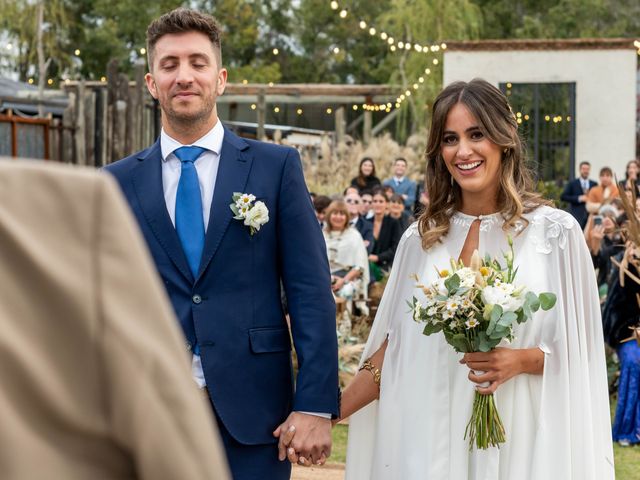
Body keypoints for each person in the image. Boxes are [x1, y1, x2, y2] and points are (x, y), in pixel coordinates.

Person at [334, 79, 613, 479]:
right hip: (431, 437)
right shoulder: (421, 239)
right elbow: (393, 349)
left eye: (476, 134)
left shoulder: (557, 234)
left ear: (504, 139)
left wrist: (520, 360)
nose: (462, 151)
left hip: (521, 435)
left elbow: (584, 350)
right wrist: (325, 414)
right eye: (450, 138)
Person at [104, 8, 338, 479]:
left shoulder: (276, 168)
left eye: (197, 62)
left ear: (221, 78)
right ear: (152, 82)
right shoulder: (114, 183)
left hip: (255, 415)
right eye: (169, 65)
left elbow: (310, 292)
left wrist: (315, 404)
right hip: (148, 410)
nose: (184, 76)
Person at [0, 159, 230, 480]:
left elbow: (306, 284)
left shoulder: (74, 199)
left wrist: (312, 404)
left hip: (245, 396)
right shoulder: (76, 198)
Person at [602, 249, 640, 447]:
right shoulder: (621, 263)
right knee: (634, 363)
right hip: (626, 336)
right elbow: (613, 310)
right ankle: (626, 430)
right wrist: (631, 330)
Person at [323, 200, 370, 320]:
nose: (338, 217)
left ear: (346, 217)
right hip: (325, 278)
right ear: (329, 215)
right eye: (335, 213)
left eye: (342, 214)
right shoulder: (321, 235)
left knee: (345, 292)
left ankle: (343, 330)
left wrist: (342, 281)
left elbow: (359, 267)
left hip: (348, 278)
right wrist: (330, 279)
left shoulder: (354, 236)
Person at [368, 187, 402, 279]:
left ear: (386, 204)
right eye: (375, 201)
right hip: (368, 265)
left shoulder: (393, 223)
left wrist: (377, 257)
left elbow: (396, 248)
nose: (377, 204)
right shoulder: (366, 223)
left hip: (387, 266)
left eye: (381, 201)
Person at [560, 161, 596, 229]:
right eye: (583, 169)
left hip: (591, 216)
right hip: (576, 216)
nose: (585, 171)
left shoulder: (594, 184)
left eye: (587, 169)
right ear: (580, 170)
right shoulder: (573, 183)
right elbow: (563, 197)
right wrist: (579, 198)